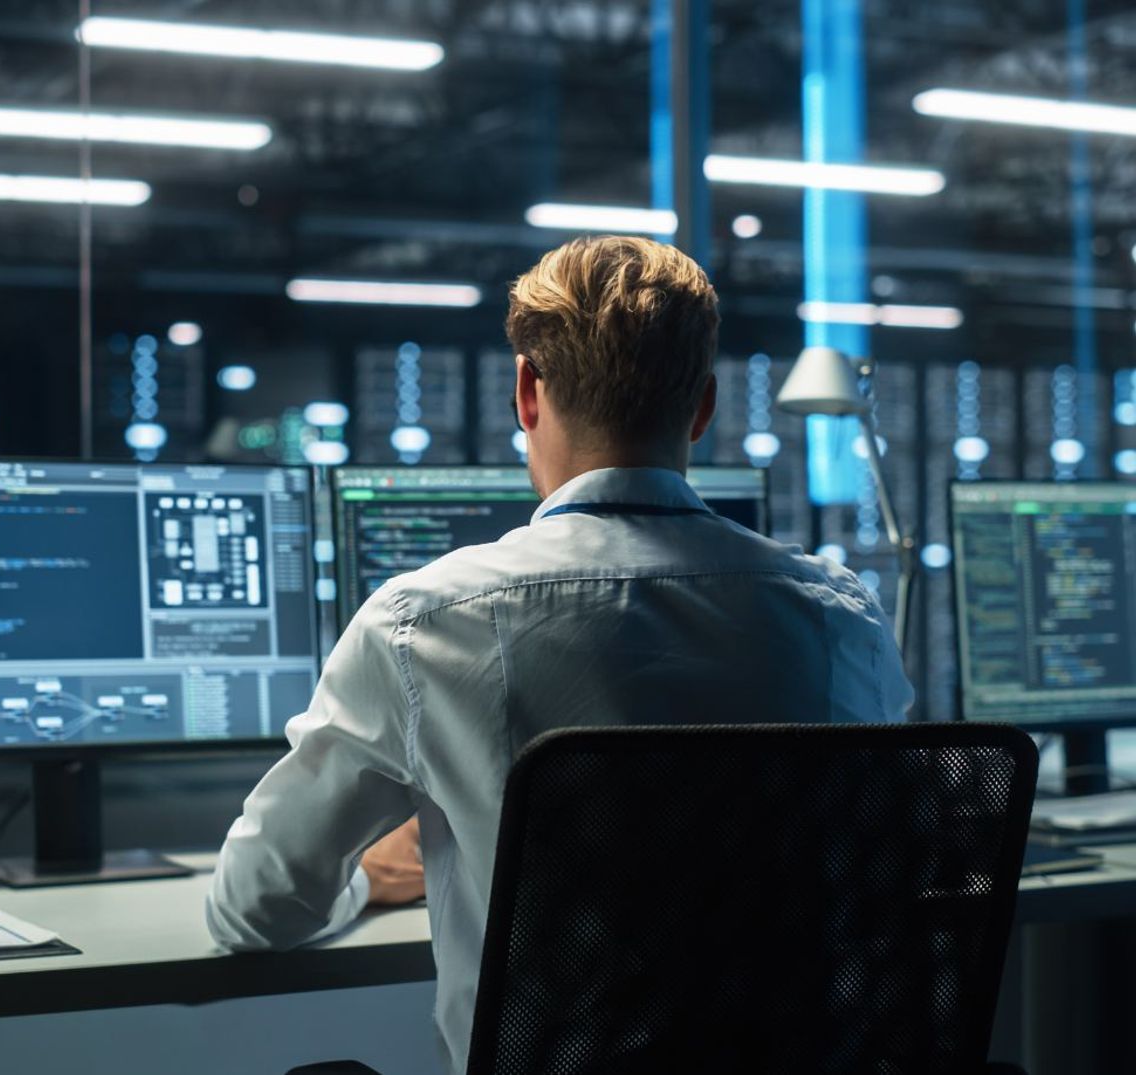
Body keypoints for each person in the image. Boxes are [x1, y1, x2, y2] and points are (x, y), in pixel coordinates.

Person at [206, 236, 913, 1073]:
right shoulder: (840, 615)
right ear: (704, 408)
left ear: (526, 392)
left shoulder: (421, 621)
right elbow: (891, 859)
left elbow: (256, 909)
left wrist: (379, 877)